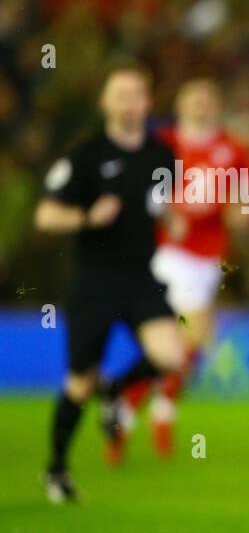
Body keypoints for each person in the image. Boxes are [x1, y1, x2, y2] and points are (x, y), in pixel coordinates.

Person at [33, 61, 185, 502]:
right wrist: (85, 216)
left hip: (140, 276)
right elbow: (45, 214)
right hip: (94, 279)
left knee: (170, 354)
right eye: (120, 95)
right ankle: (57, 468)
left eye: (136, 94)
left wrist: (171, 217)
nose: (129, 103)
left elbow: (160, 202)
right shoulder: (85, 155)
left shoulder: (161, 155)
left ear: (147, 102)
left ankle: (117, 392)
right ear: (104, 103)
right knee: (80, 380)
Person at [111, 77, 249, 460]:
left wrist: (246, 209)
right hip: (169, 252)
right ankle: (153, 411)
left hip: (209, 255)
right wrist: (164, 211)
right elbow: (138, 186)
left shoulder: (234, 149)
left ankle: (129, 407)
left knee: (187, 344)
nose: (201, 106)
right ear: (180, 105)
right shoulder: (164, 144)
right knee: (185, 339)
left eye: (208, 99)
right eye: (193, 99)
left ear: (217, 106)